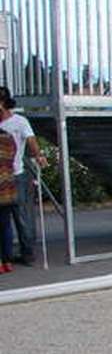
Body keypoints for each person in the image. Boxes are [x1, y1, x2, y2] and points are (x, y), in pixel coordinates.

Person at [0, 86, 48, 265]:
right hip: (1, 179)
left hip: (16, 175)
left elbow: (31, 141)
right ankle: (6, 255)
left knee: (21, 216)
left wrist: (39, 156)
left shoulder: (19, 122)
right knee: (4, 219)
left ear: (2, 103)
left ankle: (28, 253)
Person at [0, 128, 17, 273]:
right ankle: (7, 261)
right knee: (5, 226)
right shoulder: (8, 137)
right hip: (7, 187)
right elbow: (13, 156)